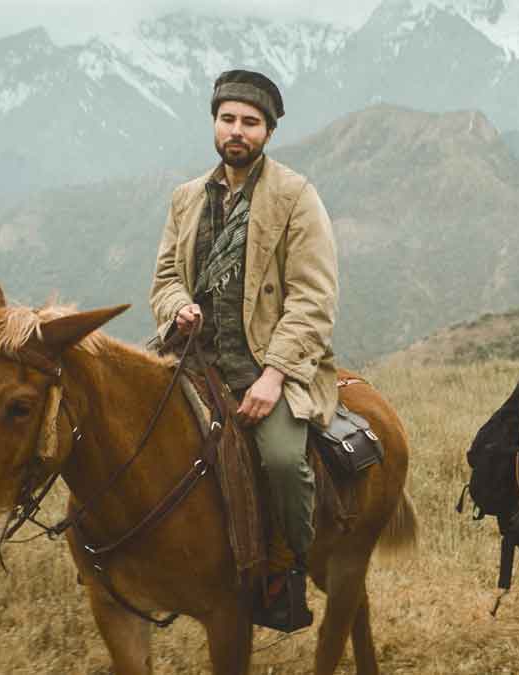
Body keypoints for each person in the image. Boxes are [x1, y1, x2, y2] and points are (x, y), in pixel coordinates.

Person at [149, 69, 339, 632]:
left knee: (282, 461)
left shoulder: (295, 197)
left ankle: (286, 568)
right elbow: (163, 277)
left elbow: (314, 297)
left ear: (268, 131)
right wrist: (176, 305)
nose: (237, 131)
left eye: (250, 122)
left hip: (266, 364)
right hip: (192, 356)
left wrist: (274, 376)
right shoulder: (186, 199)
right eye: (228, 119)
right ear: (215, 124)